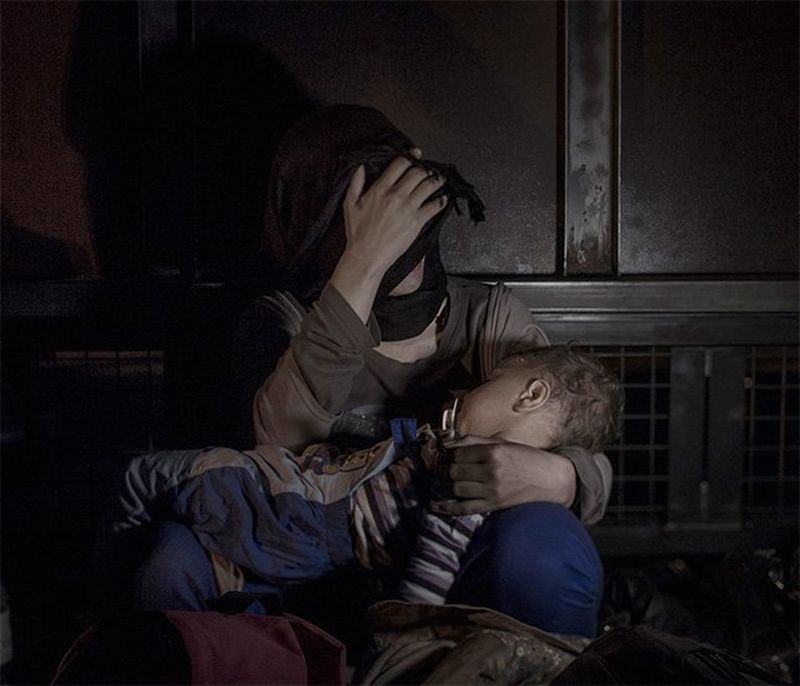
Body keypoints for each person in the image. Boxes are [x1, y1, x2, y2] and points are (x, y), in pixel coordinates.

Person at [234, 104, 612, 525]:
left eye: (402, 209)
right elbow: (278, 450)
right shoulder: (283, 319)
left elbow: (573, 433)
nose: (402, 240)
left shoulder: (487, 318)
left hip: (444, 560)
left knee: (545, 534)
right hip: (323, 545)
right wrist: (364, 261)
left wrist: (564, 479)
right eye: (369, 219)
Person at [117, 346, 622, 638]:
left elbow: (435, 563)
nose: (462, 393)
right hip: (298, 501)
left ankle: (99, 623)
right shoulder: (456, 446)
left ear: (532, 394)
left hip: (294, 512)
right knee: (163, 525)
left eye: (487, 382)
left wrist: (398, 636)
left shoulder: (471, 473)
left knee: (142, 477)